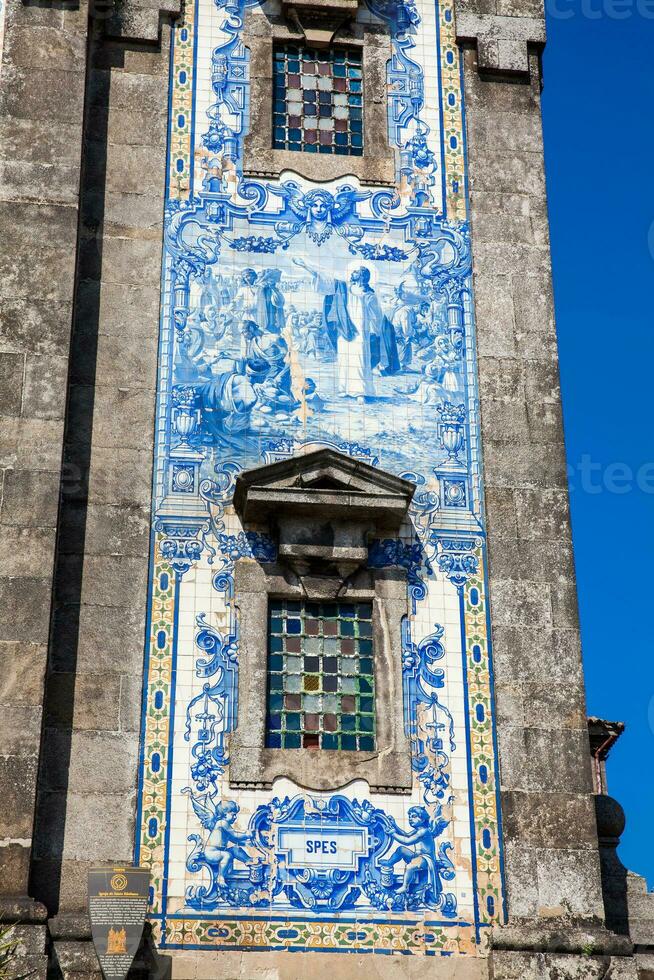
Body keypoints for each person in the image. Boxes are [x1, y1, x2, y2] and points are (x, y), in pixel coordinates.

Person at [293, 258, 400, 402]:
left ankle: (361, 391)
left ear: (363, 276)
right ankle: (345, 388)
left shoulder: (369, 295)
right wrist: (306, 266)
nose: (353, 274)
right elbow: (325, 281)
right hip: (345, 329)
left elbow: (377, 316)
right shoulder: (344, 288)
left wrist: (375, 332)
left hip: (361, 330)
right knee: (345, 359)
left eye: (356, 272)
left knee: (360, 359)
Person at [378, 806, 445, 898]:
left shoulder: (424, 832)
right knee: (401, 849)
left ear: (422, 819)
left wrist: (393, 834)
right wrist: (395, 825)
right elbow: (406, 835)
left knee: (410, 866)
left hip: (426, 859)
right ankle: (389, 863)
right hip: (417, 856)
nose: (410, 819)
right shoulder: (418, 830)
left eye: (414, 816)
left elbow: (407, 841)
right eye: (409, 817)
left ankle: (405, 886)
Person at [204, 800, 253, 884]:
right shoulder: (222, 823)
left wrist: (245, 843)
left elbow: (234, 840)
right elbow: (235, 835)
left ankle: (249, 861)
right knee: (227, 855)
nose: (235, 817)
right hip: (211, 853)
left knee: (236, 849)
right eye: (233, 815)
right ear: (224, 815)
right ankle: (220, 877)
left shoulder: (225, 826)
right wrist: (246, 835)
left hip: (219, 851)